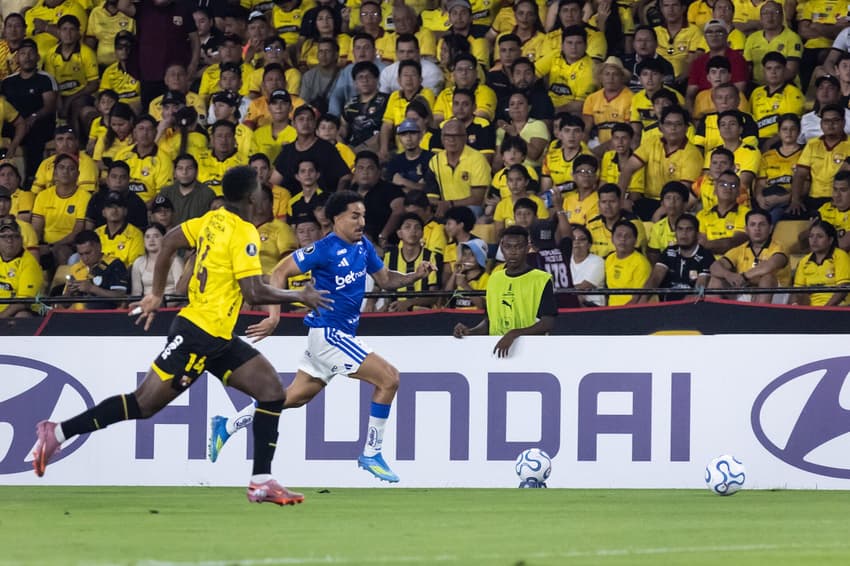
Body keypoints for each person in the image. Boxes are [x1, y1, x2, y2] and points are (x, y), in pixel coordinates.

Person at [33, 166, 332, 507]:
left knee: (271, 391)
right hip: (197, 335)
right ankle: (56, 432)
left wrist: (158, 292)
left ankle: (260, 481)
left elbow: (172, 238)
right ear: (253, 196)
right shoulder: (244, 232)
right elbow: (253, 292)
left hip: (216, 335)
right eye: (261, 189)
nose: (263, 194)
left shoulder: (213, 218)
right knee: (143, 404)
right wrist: (299, 296)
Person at [207, 190, 435, 483]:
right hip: (329, 334)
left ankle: (227, 425)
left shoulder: (363, 246)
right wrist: (274, 315)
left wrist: (415, 276)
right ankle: (372, 452)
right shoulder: (323, 249)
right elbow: (278, 273)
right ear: (336, 218)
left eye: (363, 215)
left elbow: (387, 280)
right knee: (389, 378)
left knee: (291, 398)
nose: (361, 221)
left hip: (334, 335)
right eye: (355, 216)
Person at [453, 225, 556, 357]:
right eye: (508, 247)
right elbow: (489, 321)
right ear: (501, 248)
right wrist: (469, 331)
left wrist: (514, 334)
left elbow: (548, 322)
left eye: (518, 247)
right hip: (496, 351)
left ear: (527, 248)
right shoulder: (494, 278)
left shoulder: (541, 279)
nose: (513, 252)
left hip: (530, 352)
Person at [708, 209, 790, 303]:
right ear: (746, 230)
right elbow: (714, 267)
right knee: (716, 279)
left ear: (771, 228)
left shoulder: (780, 247)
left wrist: (744, 277)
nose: (757, 228)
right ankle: (713, 315)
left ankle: (761, 315)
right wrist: (728, 275)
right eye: (752, 225)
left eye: (762, 224)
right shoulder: (739, 249)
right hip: (747, 292)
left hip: (776, 295)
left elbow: (768, 266)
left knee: (767, 278)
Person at [638, 213, 714, 302]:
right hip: (665, 306)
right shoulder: (669, 251)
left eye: (689, 229)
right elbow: (655, 278)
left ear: (697, 234)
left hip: (691, 307)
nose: (684, 233)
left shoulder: (706, 256)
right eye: (680, 229)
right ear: (675, 233)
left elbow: (699, 289)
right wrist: (642, 299)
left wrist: (678, 307)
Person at [61, 229, 129, 310]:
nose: (85, 258)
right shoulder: (75, 268)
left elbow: (120, 297)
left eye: (88, 253)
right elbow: (65, 305)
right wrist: (69, 292)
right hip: (77, 316)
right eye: (81, 254)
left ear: (99, 247)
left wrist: (91, 288)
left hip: (104, 316)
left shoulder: (114, 264)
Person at [792, 220, 850, 306]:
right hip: (812, 311)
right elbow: (798, 292)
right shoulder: (804, 261)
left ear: (830, 240)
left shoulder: (840, 256)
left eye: (820, 236)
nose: (814, 240)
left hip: (839, 309)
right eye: (811, 236)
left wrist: (825, 309)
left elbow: (843, 289)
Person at [0, 217, 43, 318]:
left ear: (21, 239)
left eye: (14, 236)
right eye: (4, 236)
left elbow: (23, 301)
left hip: (15, 313)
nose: (9, 240)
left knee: (22, 315)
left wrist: (1, 317)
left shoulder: (29, 263)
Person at [158, 154, 217, 225]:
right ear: (174, 173)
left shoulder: (207, 194)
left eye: (189, 168)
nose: (184, 172)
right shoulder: (166, 192)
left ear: (196, 172)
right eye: (180, 168)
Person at [605, 219, 652, 306]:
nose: (623, 239)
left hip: (632, 311)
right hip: (611, 310)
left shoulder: (641, 263)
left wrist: (620, 313)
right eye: (619, 235)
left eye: (628, 236)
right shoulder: (610, 258)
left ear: (635, 241)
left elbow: (638, 298)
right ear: (612, 239)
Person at [131, 222, 185, 297]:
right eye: (147, 237)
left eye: (156, 236)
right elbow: (136, 292)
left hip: (170, 305)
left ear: (164, 238)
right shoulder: (138, 262)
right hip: (146, 304)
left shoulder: (175, 261)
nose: (151, 240)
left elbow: (180, 292)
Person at [94, 191, 145, 269]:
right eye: (110, 206)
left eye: (118, 206)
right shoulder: (96, 233)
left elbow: (135, 266)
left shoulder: (136, 234)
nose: (114, 210)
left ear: (125, 211)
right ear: (103, 212)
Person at [569, 223, 606, 307]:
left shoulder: (597, 261)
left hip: (593, 306)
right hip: (573, 302)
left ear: (589, 245)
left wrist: (562, 291)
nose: (577, 242)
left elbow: (584, 287)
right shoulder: (566, 260)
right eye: (573, 239)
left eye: (582, 239)